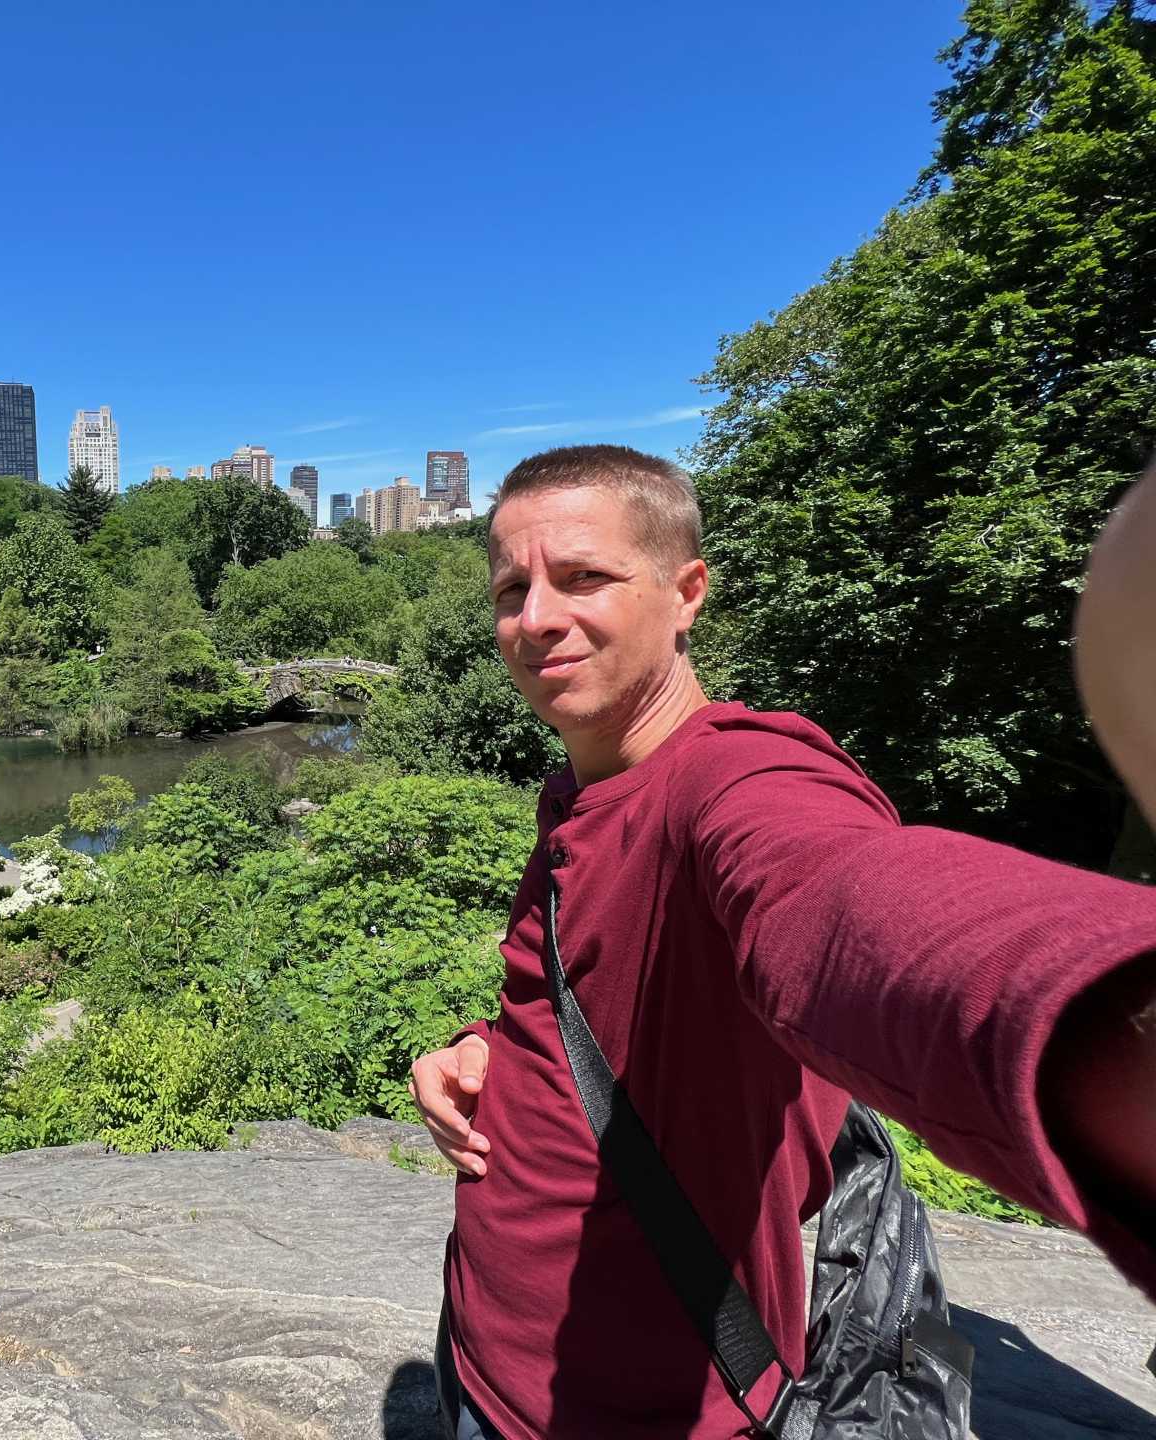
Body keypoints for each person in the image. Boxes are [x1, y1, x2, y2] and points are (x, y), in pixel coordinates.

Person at [408, 445, 1156, 1439]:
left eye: (584, 577)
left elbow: (845, 904)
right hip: (480, 1353)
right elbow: (594, 1002)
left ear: (687, 593)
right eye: (512, 589)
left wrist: (1102, 1025)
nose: (536, 617)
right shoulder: (580, 793)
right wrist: (483, 1054)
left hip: (643, 1410)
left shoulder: (737, 781)